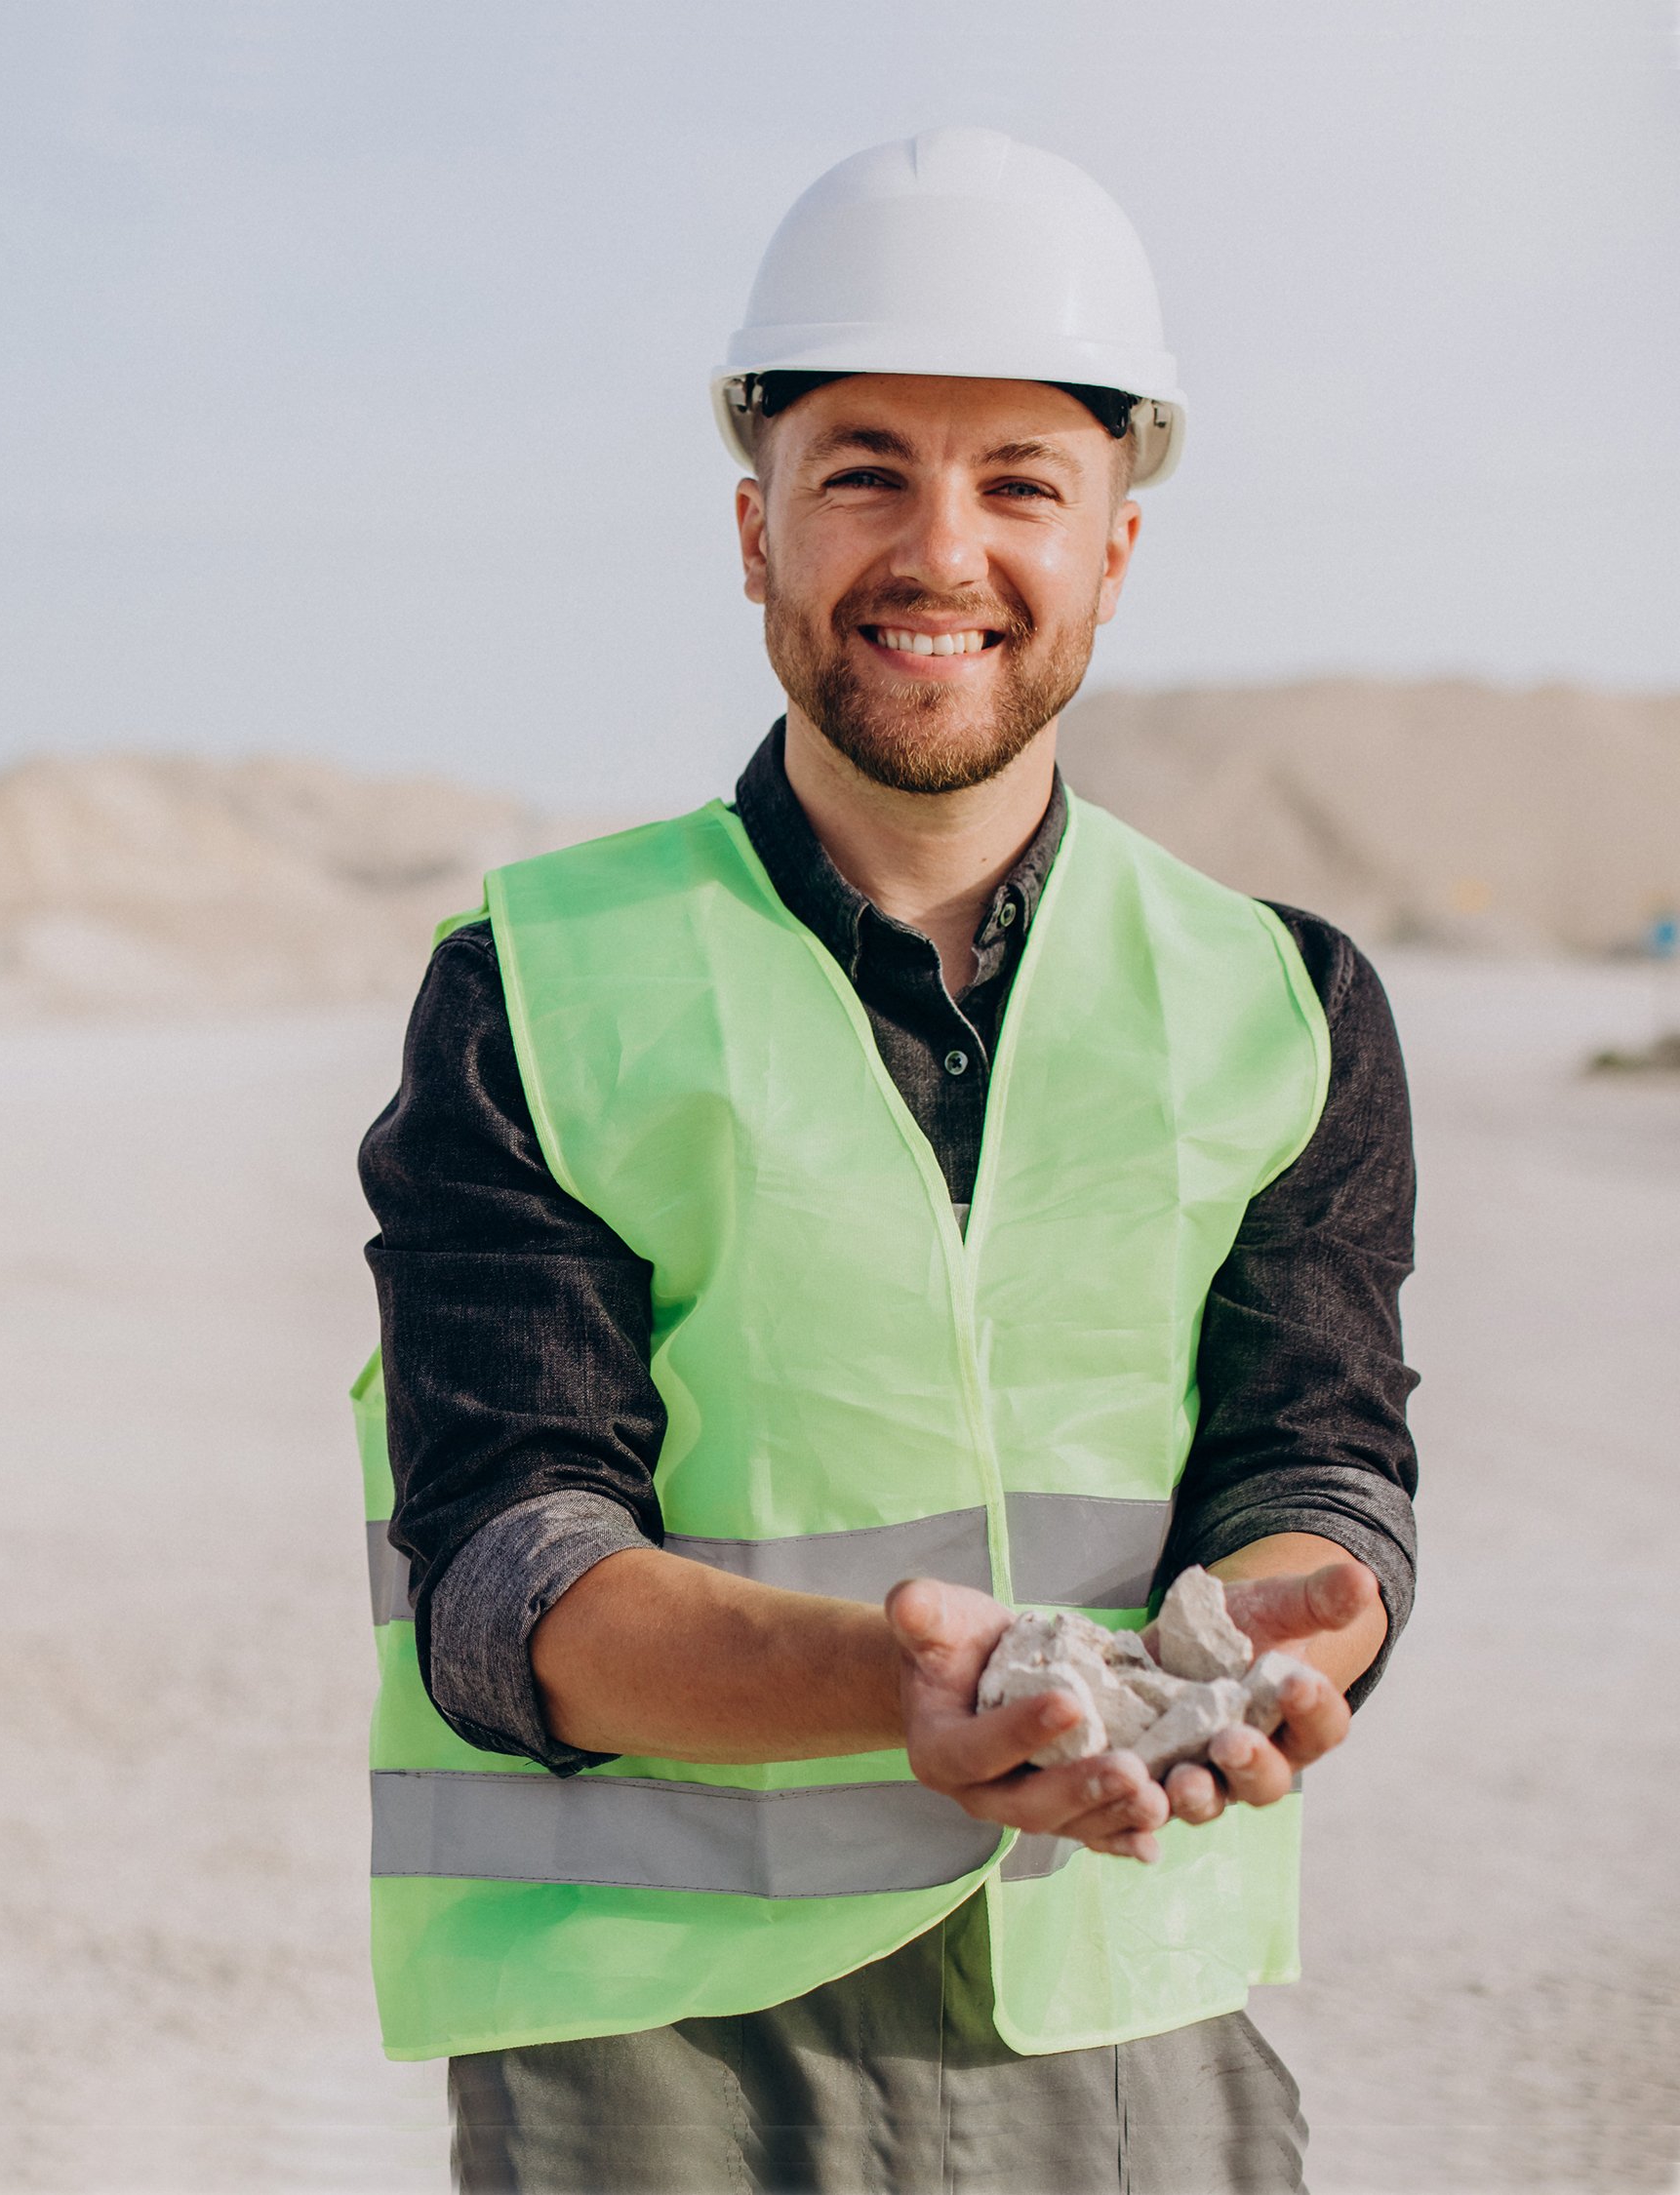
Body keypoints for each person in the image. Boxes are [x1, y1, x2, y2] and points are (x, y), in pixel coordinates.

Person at [351, 128, 1417, 2192]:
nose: (938, 550)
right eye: (862, 473)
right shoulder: (538, 984)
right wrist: (918, 1693)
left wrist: (1292, 1634)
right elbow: (503, 1569)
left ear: (1112, 547)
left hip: (1120, 2005)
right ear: (749, 529)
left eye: (1019, 481)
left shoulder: (1272, 997)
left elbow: (1324, 1459)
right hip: (644, 2054)